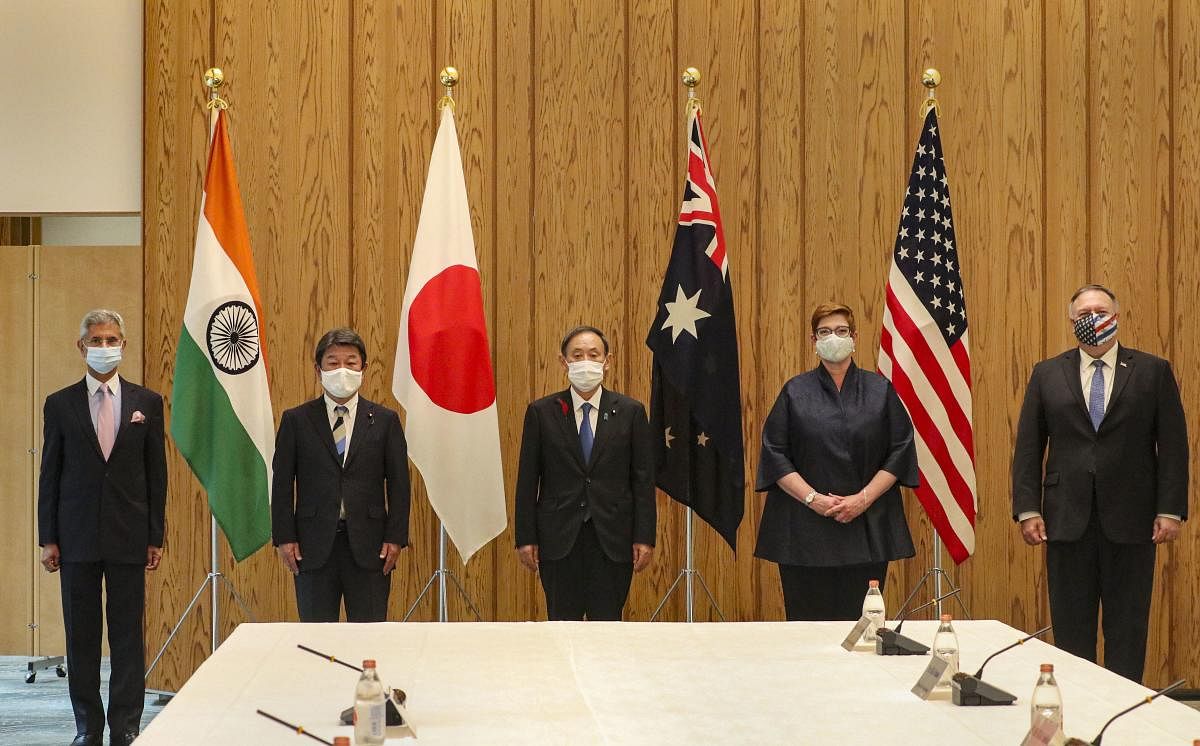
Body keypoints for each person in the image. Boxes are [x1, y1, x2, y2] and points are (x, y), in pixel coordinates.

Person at [1012, 284, 1187, 683]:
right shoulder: (1047, 372)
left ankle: (1123, 721)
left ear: (1117, 316)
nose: (1094, 318)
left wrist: (1169, 509)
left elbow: (1174, 446)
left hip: (1134, 519)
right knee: (1072, 631)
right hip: (1065, 519)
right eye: (1085, 312)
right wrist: (1028, 508)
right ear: (1073, 321)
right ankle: (1078, 717)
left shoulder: (1152, 370)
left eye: (1101, 310)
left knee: (1127, 629)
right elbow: (1028, 446)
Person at [37, 309, 167, 746]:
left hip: (130, 536)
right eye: (96, 339)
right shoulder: (59, 403)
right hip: (75, 538)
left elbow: (157, 475)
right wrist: (48, 537)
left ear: (124, 346)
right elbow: (50, 472)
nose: (104, 346)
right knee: (83, 637)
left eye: (112, 339)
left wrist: (155, 537)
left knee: (128, 636)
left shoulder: (147, 403)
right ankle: (87, 727)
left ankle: (126, 726)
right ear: (81, 346)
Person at [754, 303, 919, 621]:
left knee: (862, 629)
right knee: (806, 632)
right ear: (813, 339)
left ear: (855, 337)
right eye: (825, 332)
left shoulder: (879, 389)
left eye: (841, 331)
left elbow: (900, 451)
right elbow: (774, 453)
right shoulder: (795, 391)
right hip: (804, 530)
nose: (834, 337)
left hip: (865, 525)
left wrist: (862, 498)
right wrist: (812, 499)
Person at [514, 325, 655, 620]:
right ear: (563, 362)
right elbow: (528, 480)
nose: (586, 362)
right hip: (559, 539)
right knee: (562, 628)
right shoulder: (542, 412)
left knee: (607, 627)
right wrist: (525, 537)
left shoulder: (631, 412)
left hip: (613, 539)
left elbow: (642, 480)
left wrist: (644, 536)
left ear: (608, 360)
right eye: (577, 355)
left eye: (594, 354)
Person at [271, 328, 411, 622]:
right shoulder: (296, 420)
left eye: (351, 362)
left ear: (364, 368)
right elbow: (282, 483)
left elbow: (399, 485)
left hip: (371, 546)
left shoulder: (385, 421)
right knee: (318, 638)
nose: (342, 370)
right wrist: (285, 537)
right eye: (333, 363)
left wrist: (395, 537)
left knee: (368, 634)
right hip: (312, 546)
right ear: (318, 369)